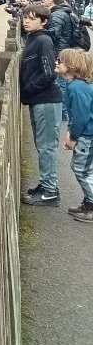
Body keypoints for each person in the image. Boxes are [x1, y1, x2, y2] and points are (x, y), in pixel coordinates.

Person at [20, 4, 64, 205]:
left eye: (32, 18)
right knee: (43, 146)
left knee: (46, 147)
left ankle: (50, 192)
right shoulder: (34, 39)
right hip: (40, 100)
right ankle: (46, 184)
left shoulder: (43, 41)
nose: (26, 21)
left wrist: (28, 90)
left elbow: (49, 73)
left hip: (46, 100)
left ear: (44, 21)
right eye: (25, 18)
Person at [59, 48, 93, 222]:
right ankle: (88, 202)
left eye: (61, 61)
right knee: (85, 169)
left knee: (82, 170)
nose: (58, 63)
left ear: (71, 66)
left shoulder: (77, 88)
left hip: (87, 135)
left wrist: (72, 137)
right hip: (86, 134)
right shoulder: (78, 86)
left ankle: (92, 204)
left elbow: (80, 116)